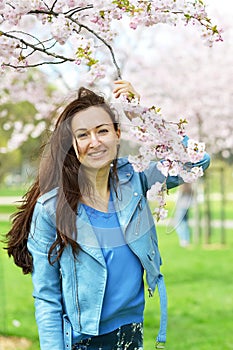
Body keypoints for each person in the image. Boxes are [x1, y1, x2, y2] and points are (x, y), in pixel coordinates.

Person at [5, 80, 210, 350]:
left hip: (131, 334)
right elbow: (47, 299)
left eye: (102, 131)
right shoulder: (51, 209)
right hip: (83, 341)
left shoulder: (135, 179)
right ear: (72, 145)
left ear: (117, 134)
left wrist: (144, 116)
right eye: (83, 135)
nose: (95, 142)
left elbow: (196, 161)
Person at [174, 183, 193, 247]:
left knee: (178, 224)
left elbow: (177, 199)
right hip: (186, 208)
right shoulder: (190, 190)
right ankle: (186, 239)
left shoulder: (182, 190)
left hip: (181, 208)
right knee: (184, 223)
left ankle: (183, 240)